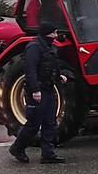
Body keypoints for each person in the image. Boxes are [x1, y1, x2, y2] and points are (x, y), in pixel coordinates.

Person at [9, 22, 68, 164]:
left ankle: (48, 153)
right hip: (37, 91)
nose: (55, 36)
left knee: (50, 122)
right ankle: (17, 148)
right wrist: (35, 90)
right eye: (53, 33)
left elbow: (52, 64)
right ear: (47, 33)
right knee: (33, 123)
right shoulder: (34, 48)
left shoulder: (49, 47)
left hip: (48, 88)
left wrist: (58, 76)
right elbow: (30, 70)